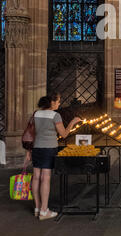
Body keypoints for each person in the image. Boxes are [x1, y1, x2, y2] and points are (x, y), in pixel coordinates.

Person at [25, 93, 81, 221]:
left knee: (36, 177)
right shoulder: (55, 116)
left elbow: (30, 134)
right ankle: (45, 211)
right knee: (46, 178)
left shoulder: (35, 114)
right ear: (52, 102)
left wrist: (29, 151)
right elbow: (64, 134)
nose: (59, 103)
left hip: (36, 149)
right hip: (48, 149)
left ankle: (37, 208)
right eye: (58, 101)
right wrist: (73, 122)